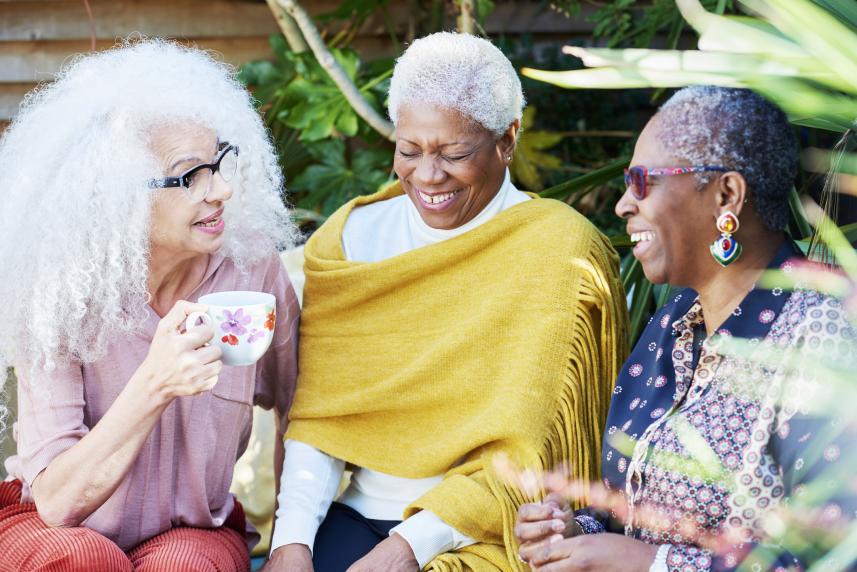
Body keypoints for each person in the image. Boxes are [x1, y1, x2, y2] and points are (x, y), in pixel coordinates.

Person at [263, 31, 628, 572]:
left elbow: (529, 450)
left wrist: (408, 547)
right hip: (358, 515)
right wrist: (290, 543)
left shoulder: (558, 252)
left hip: (490, 529)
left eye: (454, 154)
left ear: (508, 139)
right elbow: (320, 420)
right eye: (409, 151)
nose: (428, 176)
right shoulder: (350, 239)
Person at [514, 86, 857, 571]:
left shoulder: (826, 332)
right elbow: (629, 516)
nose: (623, 205)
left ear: (726, 195)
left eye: (640, 181)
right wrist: (575, 533)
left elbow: (837, 556)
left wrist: (651, 564)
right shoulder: (676, 319)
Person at [0, 39, 300, 571]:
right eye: (191, 176)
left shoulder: (253, 273)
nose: (222, 190)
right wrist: (156, 382)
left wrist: (289, 543)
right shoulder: (60, 291)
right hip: (51, 526)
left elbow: (300, 409)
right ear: (119, 196)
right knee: (84, 560)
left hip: (194, 529)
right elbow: (57, 502)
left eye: (220, 162)